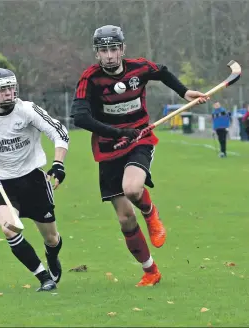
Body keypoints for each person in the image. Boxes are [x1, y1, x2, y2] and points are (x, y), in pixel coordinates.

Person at [70, 25, 208, 287]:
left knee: (132, 189)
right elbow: (80, 116)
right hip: (108, 146)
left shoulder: (139, 67)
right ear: (96, 53)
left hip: (139, 138)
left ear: (122, 49)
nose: (109, 55)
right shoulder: (90, 78)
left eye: (113, 49)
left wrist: (184, 91)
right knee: (125, 218)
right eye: (103, 50)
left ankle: (150, 212)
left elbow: (162, 72)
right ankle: (150, 271)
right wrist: (115, 131)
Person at [0, 68, 69, 292]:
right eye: (1, 90)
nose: (8, 93)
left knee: (52, 238)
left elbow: (59, 132)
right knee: (9, 229)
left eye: (10, 87)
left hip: (34, 180)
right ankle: (44, 277)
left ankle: (52, 257)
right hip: (1, 182)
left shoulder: (27, 110)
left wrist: (58, 164)